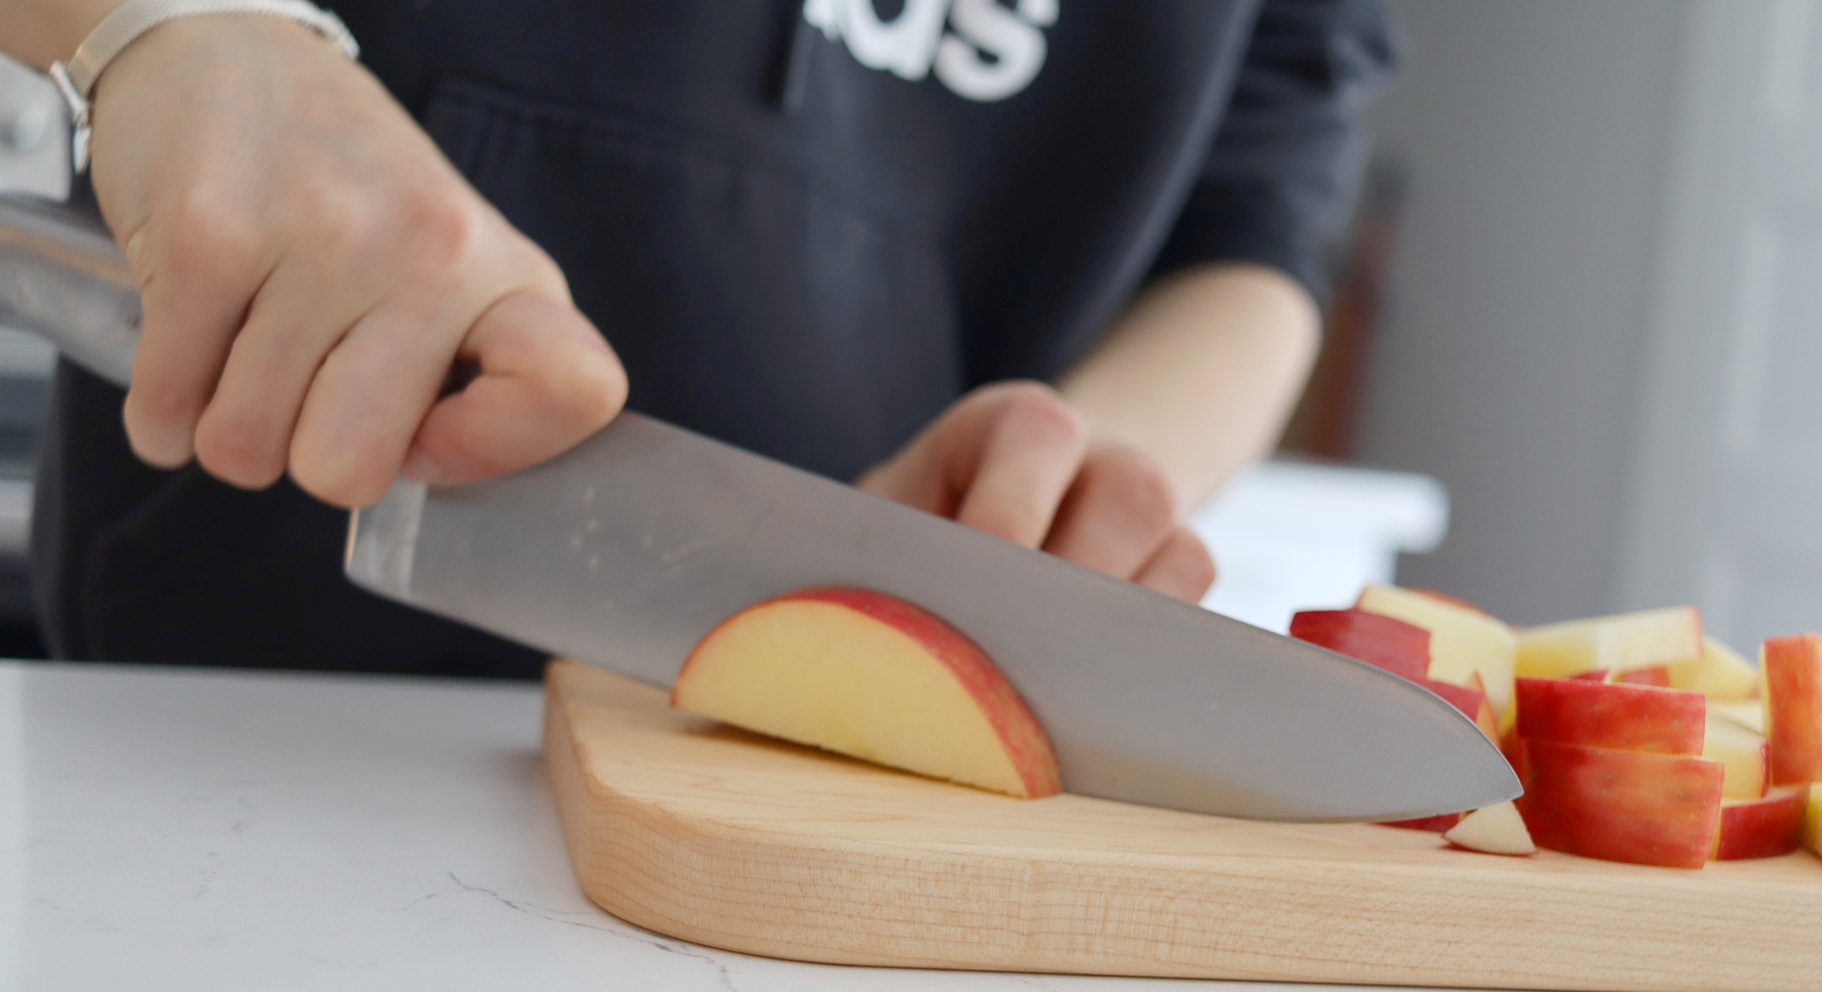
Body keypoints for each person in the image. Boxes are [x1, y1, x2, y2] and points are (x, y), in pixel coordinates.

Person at [4, 0, 1395, 676]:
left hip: (810, 795)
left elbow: (1252, 237)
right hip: (208, 701)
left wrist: (1048, 499)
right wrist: (178, 29)